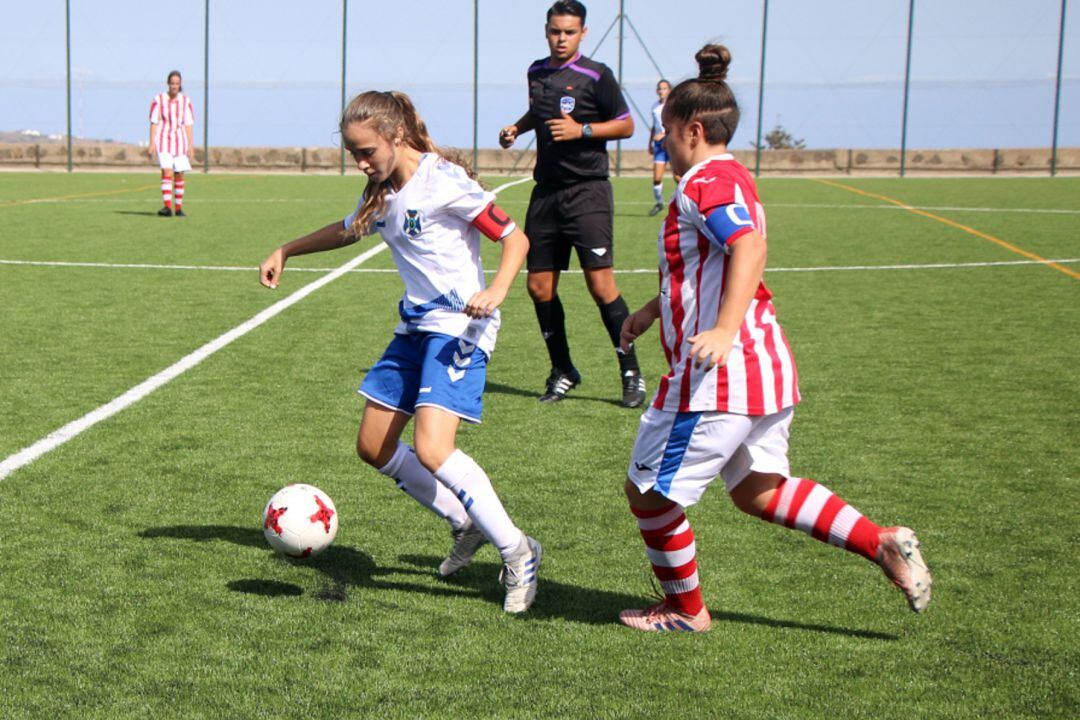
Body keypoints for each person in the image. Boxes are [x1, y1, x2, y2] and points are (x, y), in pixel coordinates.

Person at [616, 45, 932, 632]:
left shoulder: (701, 183)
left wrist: (723, 329)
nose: (658, 146)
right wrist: (651, 312)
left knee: (651, 495)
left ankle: (686, 611)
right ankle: (879, 541)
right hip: (766, 365)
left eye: (664, 135)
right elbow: (708, 267)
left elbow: (748, 249)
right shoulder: (733, 177)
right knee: (759, 491)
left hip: (719, 376)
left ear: (693, 130)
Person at [258, 91, 542, 614]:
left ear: (394, 136)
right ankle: (463, 523)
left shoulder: (443, 181)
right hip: (415, 327)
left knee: (433, 448)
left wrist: (497, 290)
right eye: (354, 155)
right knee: (373, 446)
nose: (362, 163)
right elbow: (348, 231)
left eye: (367, 152)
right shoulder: (383, 192)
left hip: (460, 324)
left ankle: (517, 550)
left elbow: (515, 239)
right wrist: (288, 249)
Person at [498, 0, 646, 408]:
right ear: (546, 31)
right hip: (546, 192)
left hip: (588, 191)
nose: (561, 39)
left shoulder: (597, 75)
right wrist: (518, 127)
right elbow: (539, 110)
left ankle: (629, 370)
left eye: (568, 32)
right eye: (554, 31)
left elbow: (627, 124)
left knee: (601, 286)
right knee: (538, 286)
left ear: (583, 33)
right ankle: (563, 369)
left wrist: (582, 129)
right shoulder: (536, 71)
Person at [148, 70, 195, 217]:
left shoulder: (185, 101)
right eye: (172, 83)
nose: (174, 86)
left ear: (180, 85)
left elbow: (188, 124)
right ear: (168, 83)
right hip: (163, 140)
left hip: (180, 142)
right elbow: (154, 122)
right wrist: (151, 144)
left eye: (177, 83)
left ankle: (178, 208)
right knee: (167, 171)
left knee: (179, 173)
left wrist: (190, 145)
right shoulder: (159, 99)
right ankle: (167, 207)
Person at [647, 79, 672, 217]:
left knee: (678, 177)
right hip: (659, 145)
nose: (661, 91)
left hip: (672, 143)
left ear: (669, 90)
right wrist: (650, 142)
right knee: (657, 177)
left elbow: (676, 124)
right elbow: (654, 126)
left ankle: (684, 203)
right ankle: (659, 202)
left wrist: (664, 133)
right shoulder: (655, 106)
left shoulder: (672, 106)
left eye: (664, 88)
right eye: (659, 88)